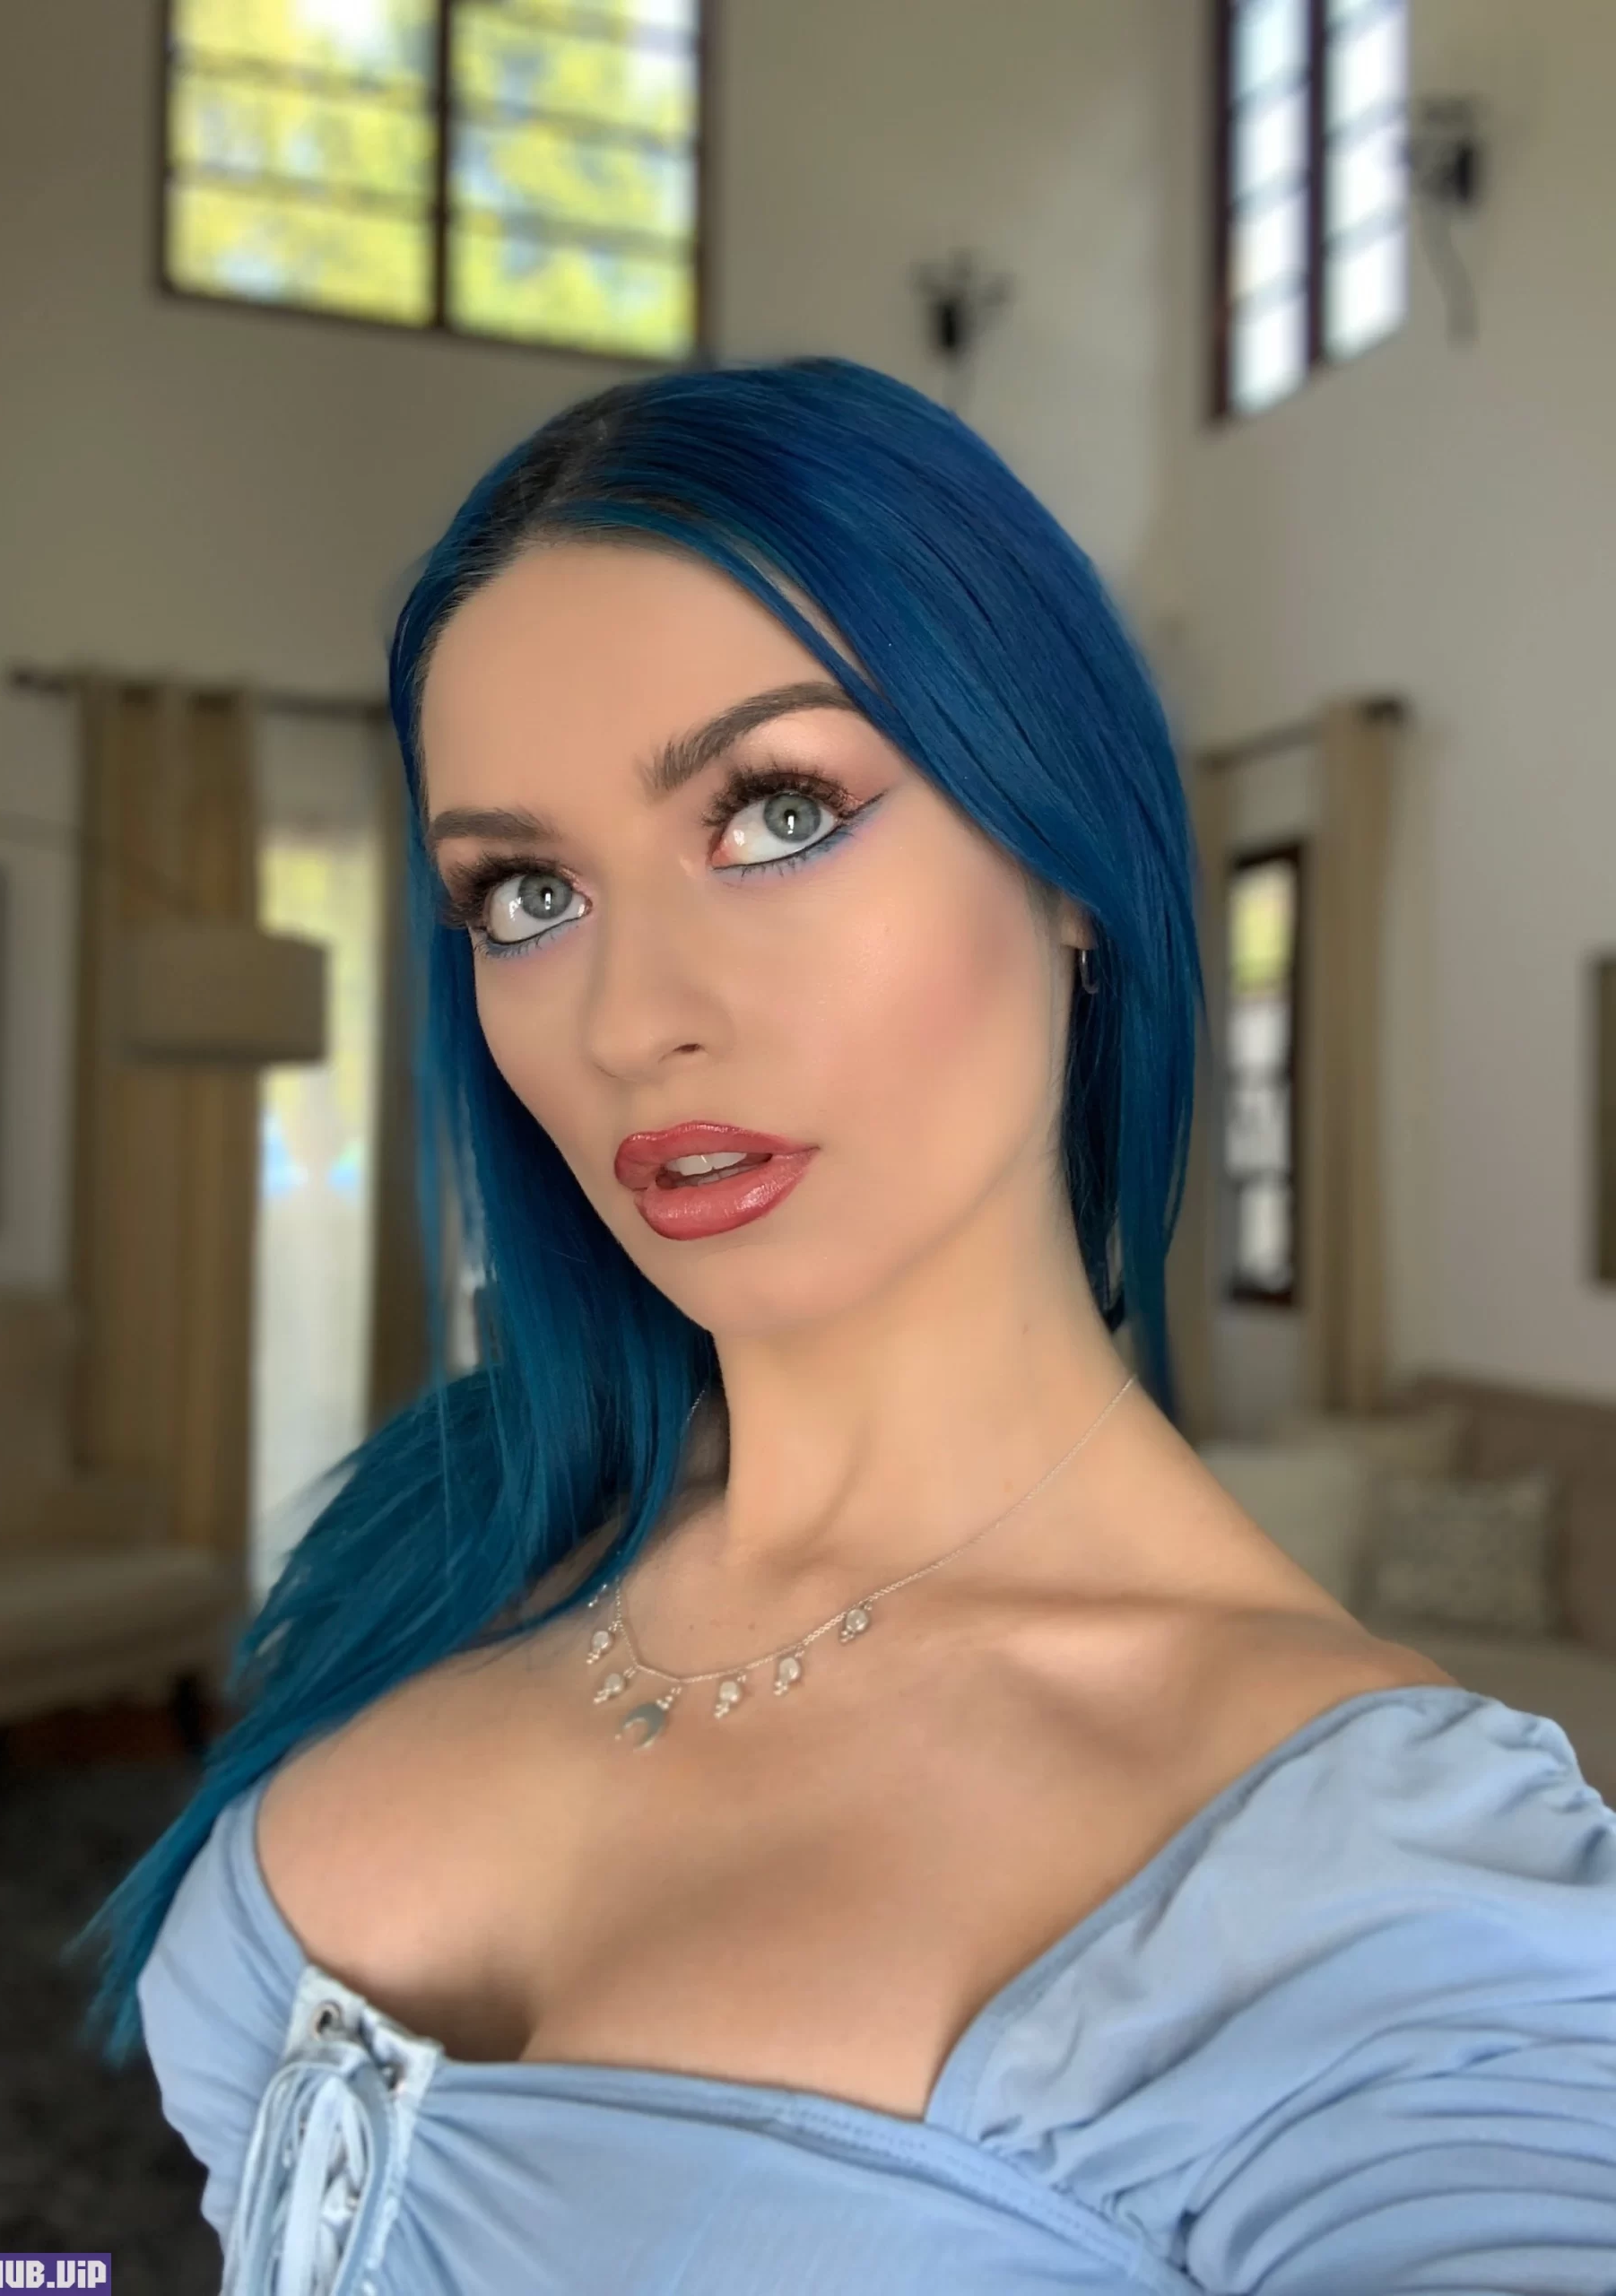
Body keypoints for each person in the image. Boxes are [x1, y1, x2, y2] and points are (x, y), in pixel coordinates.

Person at [83, 359, 1616, 2294]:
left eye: (778, 812)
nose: (632, 1015)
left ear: (1065, 857)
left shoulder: (1388, 1902)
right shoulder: (456, 1519)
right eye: (529, 892)